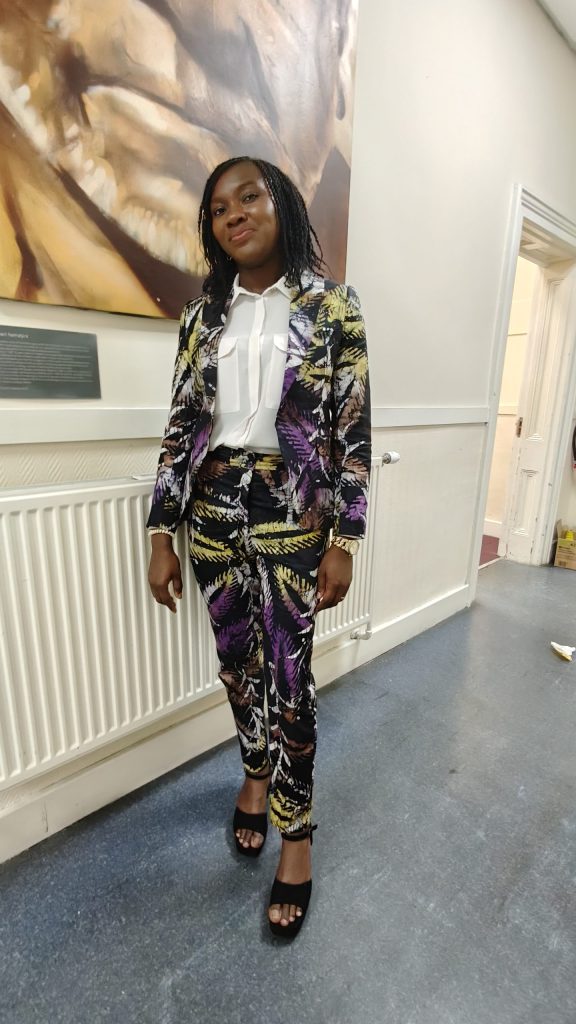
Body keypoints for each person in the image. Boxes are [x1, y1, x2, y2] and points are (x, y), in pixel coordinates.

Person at [147, 156, 371, 938]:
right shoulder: (200, 316)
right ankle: (252, 773)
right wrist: (160, 532)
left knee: (290, 678)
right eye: (218, 208)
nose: (234, 214)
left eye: (250, 197)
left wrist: (346, 538)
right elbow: (182, 423)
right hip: (212, 510)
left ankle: (297, 836)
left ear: (283, 205)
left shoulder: (333, 307)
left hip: (292, 512)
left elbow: (352, 428)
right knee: (236, 666)